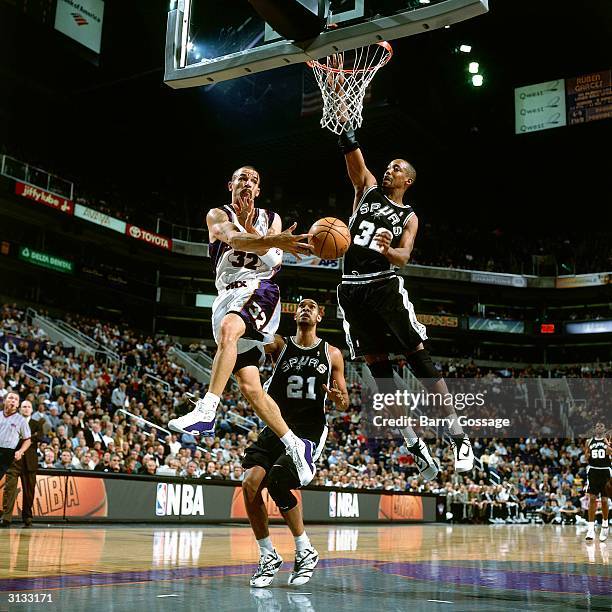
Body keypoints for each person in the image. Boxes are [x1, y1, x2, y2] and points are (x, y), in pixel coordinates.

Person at [334, 128, 474, 479]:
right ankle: (415, 445)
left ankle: (458, 437)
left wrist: (387, 249)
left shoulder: (408, 215)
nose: (388, 171)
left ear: (407, 180)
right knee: (379, 372)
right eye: (388, 166)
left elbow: (404, 257)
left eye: (396, 168)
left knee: (417, 358)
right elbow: (356, 163)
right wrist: (346, 133)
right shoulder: (366, 191)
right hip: (351, 289)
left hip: (384, 284)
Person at [169, 166, 318, 485]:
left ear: (259, 190)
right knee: (251, 387)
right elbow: (235, 238)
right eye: (242, 179)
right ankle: (296, 446)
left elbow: (272, 258)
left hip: (259, 290)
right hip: (226, 294)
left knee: (230, 331)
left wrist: (268, 239)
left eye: (254, 181)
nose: (248, 184)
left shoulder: (272, 218)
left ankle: (207, 409)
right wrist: (264, 239)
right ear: (230, 185)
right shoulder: (216, 215)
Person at [242, 298, 349, 588]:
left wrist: (339, 399)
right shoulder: (279, 344)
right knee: (250, 484)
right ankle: (268, 556)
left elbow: (344, 401)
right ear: (294, 315)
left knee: (278, 481)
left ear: (319, 317)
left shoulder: (333, 353)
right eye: (301, 306)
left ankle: (305, 550)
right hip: (276, 424)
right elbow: (250, 343)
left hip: (308, 430)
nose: (305, 308)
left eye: (311, 306)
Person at [1, 399, 42, 528]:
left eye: (28, 407)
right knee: (9, 489)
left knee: (29, 491)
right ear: (20, 408)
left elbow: (39, 437)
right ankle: (6, 517)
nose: (26, 408)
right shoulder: (14, 421)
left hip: (29, 463)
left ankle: (27, 517)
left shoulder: (37, 423)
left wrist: (23, 437)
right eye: (24, 406)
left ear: (32, 410)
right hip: (13, 460)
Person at [0, 393, 31, 496]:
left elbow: (27, 440)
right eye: (10, 398)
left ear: (18, 405)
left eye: (16, 399)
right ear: (4, 401)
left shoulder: (21, 420)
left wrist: (20, 451)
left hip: (7, 453)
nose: (13, 400)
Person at [584, 422, 611, 542]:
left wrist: (609, 449)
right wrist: (587, 454)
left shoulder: (608, 441)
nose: (599, 427)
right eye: (597, 426)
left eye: (601, 426)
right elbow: (586, 458)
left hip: (605, 472)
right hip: (593, 471)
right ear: (595, 429)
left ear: (604, 429)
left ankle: (605, 525)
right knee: (592, 499)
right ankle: (591, 528)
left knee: (605, 500)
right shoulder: (589, 442)